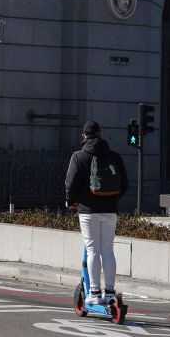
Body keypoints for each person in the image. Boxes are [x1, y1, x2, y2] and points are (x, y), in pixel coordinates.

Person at [63, 121, 127, 320]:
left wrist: (70, 202)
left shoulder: (78, 156)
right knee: (107, 249)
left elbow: (70, 183)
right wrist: (112, 200)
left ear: (84, 136)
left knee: (92, 249)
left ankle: (94, 294)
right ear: (100, 134)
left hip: (88, 210)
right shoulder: (114, 156)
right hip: (110, 210)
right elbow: (124, 183)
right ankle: (109, 292)